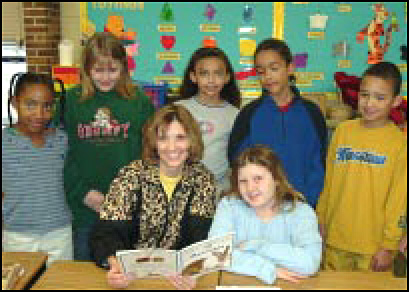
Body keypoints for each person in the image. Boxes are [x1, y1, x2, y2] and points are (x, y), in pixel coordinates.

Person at [90, 104, 217, 289]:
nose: (172, 147)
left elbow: (199, 237)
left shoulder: (203, 179)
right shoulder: (131, 175)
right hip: (132, 278)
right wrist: (115, 264)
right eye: (163, 138)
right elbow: (105, 233)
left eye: (180, 137)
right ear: (154, 142)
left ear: (192, 140)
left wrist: (192, 271)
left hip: (176, 279)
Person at [62, 32, 155, 261]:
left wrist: (132, 193)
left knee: (126, 273)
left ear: (124, 68)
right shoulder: (70, 101)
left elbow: (150, 152)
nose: (105, 77)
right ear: (86, 69)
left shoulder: (139, 101)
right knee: (85, 275)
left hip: (128, 206)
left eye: (112, 70)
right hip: (85, 206)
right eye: (98, 70)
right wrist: (81, 191)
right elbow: (60, 153)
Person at [316, 61, 407, 272]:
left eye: (380, 98)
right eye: (364, 95)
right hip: (335, 239)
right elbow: (328, 181)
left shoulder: (399, 144)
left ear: (395, 101)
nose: (369, 103)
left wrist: (389, 244)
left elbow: (399, 200)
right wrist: (320, 219)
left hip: (373, 247)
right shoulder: (342, 132)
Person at [228, 38, 327, 209]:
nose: (268, 76)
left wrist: (308, 203)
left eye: (274, 68)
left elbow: (319, 163)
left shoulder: (311, 113)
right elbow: (237, 162)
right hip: (258, 209)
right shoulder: (248, 114)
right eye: (261, 71)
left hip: (302, 207)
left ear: (290, 68)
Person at [208, 146, 322, 285]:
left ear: (276, 180)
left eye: (258, 179)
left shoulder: (301, 212)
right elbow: (215, 254)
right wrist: (266, 269)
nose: (250, 188)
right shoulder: (229, 206)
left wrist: (257, 246)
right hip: (239, 284)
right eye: (243, 181)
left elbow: (310, 263)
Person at [2, 72, 72, 264]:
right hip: (17, 234)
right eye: (30, 105)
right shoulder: (4, 143)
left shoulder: (61, 140)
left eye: (47, 106)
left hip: (59, 233)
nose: (39, 114)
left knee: (60, 283)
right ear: (14, 102)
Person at [176, 47, 241, 195]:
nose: (211, 80)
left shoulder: (236, 115)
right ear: (193, 76)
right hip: (182, 188)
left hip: (219, 191)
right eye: (204, 73)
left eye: (217, 73)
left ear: (227, 77)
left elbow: (237, 158)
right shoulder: (179, 109)